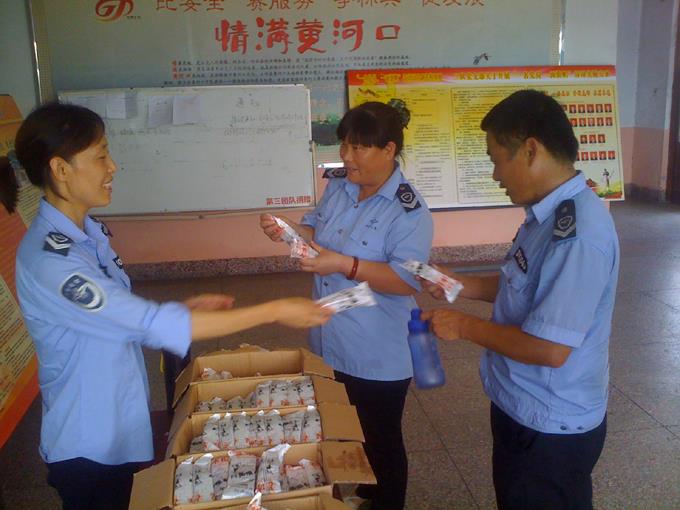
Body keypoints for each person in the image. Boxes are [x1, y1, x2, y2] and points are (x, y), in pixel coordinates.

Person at [0, 101, 333, 510]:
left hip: (118, 423)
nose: (112, 167)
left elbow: (115, 312)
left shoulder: (87, 235)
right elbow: (144, 322)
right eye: (101, 156)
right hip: (88, 443)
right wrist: (274, 311)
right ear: (61, 169)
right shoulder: (53, 261)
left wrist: (181, 307)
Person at [421, 90, 619, 510]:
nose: (496, 175)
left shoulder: (577, 236)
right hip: (522, 404)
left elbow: (550, 349)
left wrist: (464, 325)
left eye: (497, 160)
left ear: (531, 150)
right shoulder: (548, 215)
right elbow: (526, 286)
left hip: (550, 425)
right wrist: (462, 285)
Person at [260, 100, 433, 510]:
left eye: (358, 147)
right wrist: (289, 231)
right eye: (344, 145)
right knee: (346, 430)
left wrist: (344, 264)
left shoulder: (409, 211)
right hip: (330, 335)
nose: (346, 156)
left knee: (381, 438)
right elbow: (316, 232)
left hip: (376, 348)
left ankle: (387, 502)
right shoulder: (339, 185)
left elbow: (406, 280)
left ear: (389, 150)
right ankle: (361, 494)